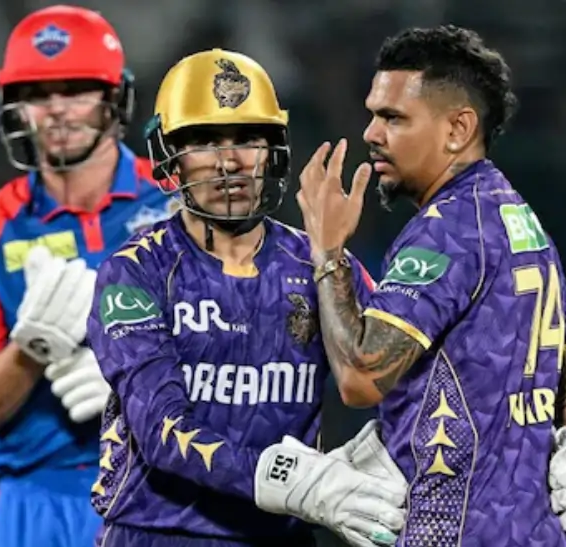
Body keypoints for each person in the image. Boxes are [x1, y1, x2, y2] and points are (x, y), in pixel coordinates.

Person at [87, 48, 407, 547]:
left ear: (272, 150)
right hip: (157, 534)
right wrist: (299, 481)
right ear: (169, 156)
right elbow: (160, 430)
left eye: (246, 139)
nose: (229, 161)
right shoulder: (135, 273)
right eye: (205, 141)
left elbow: (400, 370)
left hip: (281, 534)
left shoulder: (317, 264)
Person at [295, 25, 566, 546]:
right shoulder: (523, 223)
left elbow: (361, 379)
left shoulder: (448, 231)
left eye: (392, 118)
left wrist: (328, 253)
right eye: (372, 114)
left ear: (457, 128)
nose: (371, 132)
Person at [0, 6, 174, 547]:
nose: (58, 110)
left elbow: (251, 347)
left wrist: (132, 374)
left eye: (78, 89)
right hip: (36, 505)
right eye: (39, 93)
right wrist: (32, 349)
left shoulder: (183, 208)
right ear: (18, 108)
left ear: (115, 98)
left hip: (167, 485)